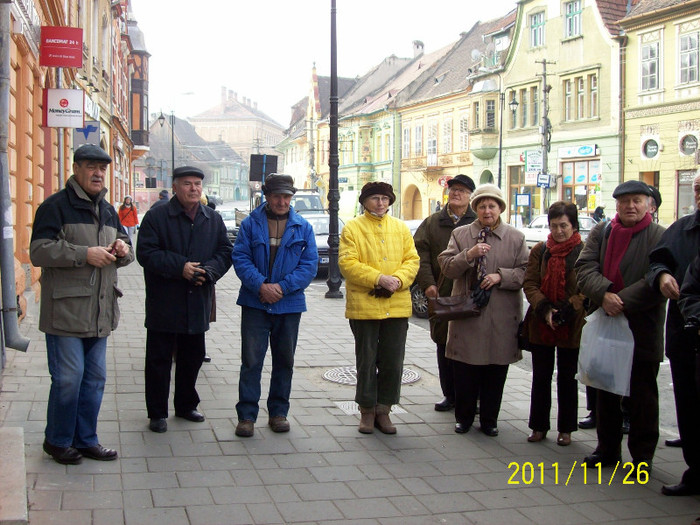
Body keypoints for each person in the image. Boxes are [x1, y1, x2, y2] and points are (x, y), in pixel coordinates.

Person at [30, 144, 134, 464]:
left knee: (94, 380)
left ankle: (86, 439)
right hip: (64, 312)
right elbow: (39, 251)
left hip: (100, 310)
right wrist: (83, 254)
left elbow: (128, 251)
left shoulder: (108, 210)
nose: (98, 173)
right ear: (76, 169)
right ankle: (58, 440)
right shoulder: (55, 207)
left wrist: (121, 248)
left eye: (102, 168)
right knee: (68, 378)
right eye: (91, 166)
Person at [575, 180, 666, 469]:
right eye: (624, 201)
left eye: (637, 200)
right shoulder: (603, 232)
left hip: (642, 326)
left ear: (648, 204)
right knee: (606, 390)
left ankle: (642, 457)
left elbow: (657, 276)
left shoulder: (660, 235)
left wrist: (620, 300)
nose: (630, 206)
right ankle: (607, 449)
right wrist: (604, 295)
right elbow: (584, 267)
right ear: (616, 204)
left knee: (642, 397)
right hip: (606, 323)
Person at [136, 166, 232, 433]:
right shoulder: (157, 216)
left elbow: (225, 251)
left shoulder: (211, 218)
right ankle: (157, 412)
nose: (193, 188)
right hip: (165, 301)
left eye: (197, 184)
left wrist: (209, 271)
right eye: (187, 184)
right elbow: (145, 253)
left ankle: (186, 405)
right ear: (175, 187)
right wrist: (181, 267)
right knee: (159, 360)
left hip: (197, 299)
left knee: (193, 356)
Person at [438, 184, 528, 436]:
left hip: (501, 314)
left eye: (492, 206)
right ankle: (463, 418)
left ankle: (489, 419)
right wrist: (469, 254)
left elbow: (526, 272)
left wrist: (501, 277)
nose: (487, 211)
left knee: (496, 370)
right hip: (468, 314)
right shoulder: (461, 234)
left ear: (500, 208)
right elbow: (446, 266)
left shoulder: (516, 237)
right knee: (465, 369)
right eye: (482, 206)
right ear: (475, 208)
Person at [232, 174, 317, 437]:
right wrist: (261, 285)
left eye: (287, 196)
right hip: (255, 303)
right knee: (251, 361)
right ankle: (246, 417)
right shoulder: (250, 224)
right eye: (277, 196)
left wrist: (282, 287)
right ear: (266, 197)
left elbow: (309, 265)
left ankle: (278, 413)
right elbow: (240, 257)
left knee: (284, 361)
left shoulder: (303, 227)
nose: (282, 201)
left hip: (289, 305)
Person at [339, 181, 419, 434]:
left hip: (396, 306)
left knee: (393, 362)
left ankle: (384, 409)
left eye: (385, 198)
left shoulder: (400, 228)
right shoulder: (352, 228)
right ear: (364, 202)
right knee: (366, 360)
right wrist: (378, 278)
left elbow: (412, 260)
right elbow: (347, 263)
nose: (381, 203)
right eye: (375, 198)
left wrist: (398, 279)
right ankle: (366, 410)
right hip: (365, 307)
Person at [646, 173, 700, 495]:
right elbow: (657, 263)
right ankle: (695, 472)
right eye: (696, 188)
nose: (699, 192)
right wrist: (663, 275)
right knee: (689, 407)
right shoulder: (681, 229)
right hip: (684, 334)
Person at [522, 201, 586, 447]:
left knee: (568, 378)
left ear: (573, 225)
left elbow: (586, 288)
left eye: (564, 225)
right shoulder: (540, 250)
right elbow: (530, 283)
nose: (559, 231)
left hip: (572, 323)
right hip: (542, 322)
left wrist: (568, 309)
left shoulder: (583, 250)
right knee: (541, 376)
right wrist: (546, 308)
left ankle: (567, 429)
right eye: (554, 226)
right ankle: (538, 426)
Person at [413, 174, 477, 411]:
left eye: (462, 190)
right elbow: (420, 254)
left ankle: (471, 397)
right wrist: (428, 284)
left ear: (470, 195)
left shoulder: (477, 220)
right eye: (453, 190)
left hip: (470, 294)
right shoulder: (432, 223)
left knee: (470, 345)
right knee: (443, 343)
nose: (456, 194)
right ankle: (449, 394)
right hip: (441, 293)